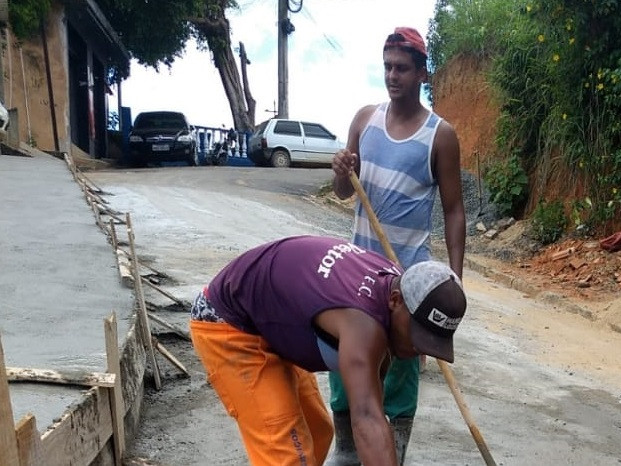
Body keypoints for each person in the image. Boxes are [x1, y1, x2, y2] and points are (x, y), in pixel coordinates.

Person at [189, 235, 467, 466]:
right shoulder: (364, 325)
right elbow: (366, 417)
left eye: (430, 342)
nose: (419, 349)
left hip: (269, 322)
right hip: (228, 322)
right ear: (396, 301)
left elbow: (373, 404)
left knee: (317, 432)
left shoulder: (395, 284)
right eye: (418, 336)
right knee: (287, 455)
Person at [328, 26, 466, 465]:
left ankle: (396, 455)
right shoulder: (364, 121)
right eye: (387, 67)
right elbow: (343, 193)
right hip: (357, 279)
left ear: (423, 73)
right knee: (347, 371)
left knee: (402, 379)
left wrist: (454, 282)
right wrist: (341, 169)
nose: (392, 76)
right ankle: (348, 454)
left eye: (402, 69)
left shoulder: (439, 136)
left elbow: (454, 211)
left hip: (407, 286)